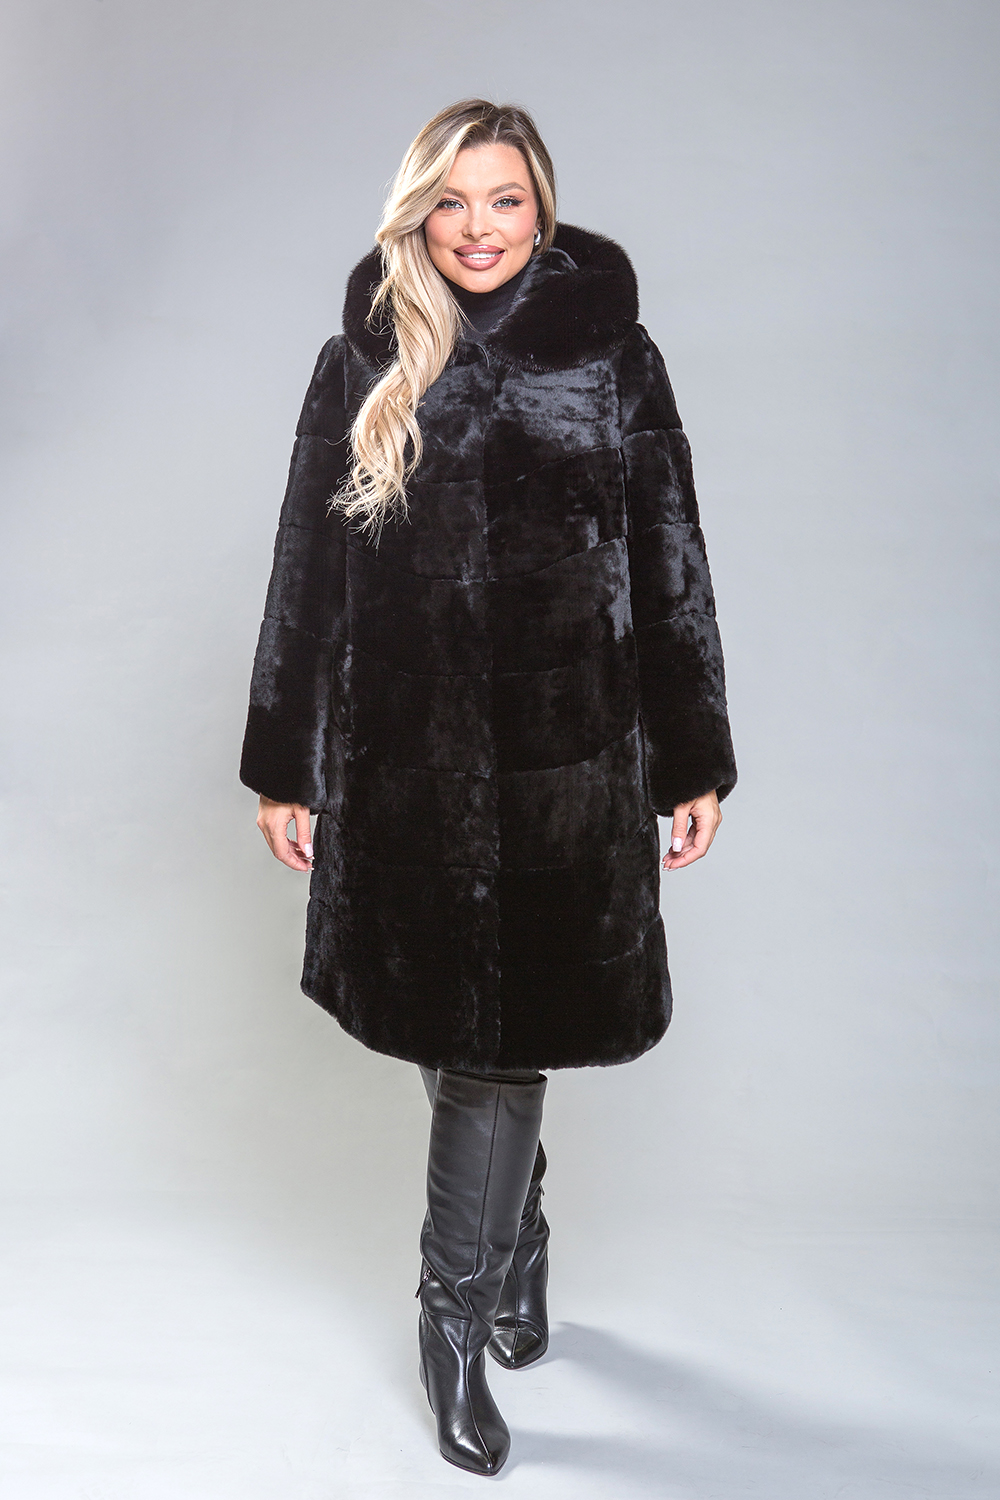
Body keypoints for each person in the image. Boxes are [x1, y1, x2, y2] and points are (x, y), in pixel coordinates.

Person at [240, 98, 736, 1476]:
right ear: (419, 211)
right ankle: (515, 1244)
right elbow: (306, 571)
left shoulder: (614, 357)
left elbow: (671, 560)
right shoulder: (366, 353)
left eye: (504, 199)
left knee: (495, 1050)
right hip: (405, 764)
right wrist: (287, 762)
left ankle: (449, 1324)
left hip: (571, 762)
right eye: (450, 201)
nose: (476, 228)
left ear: (543, 209)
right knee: (461, 1034)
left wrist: (692, 755)